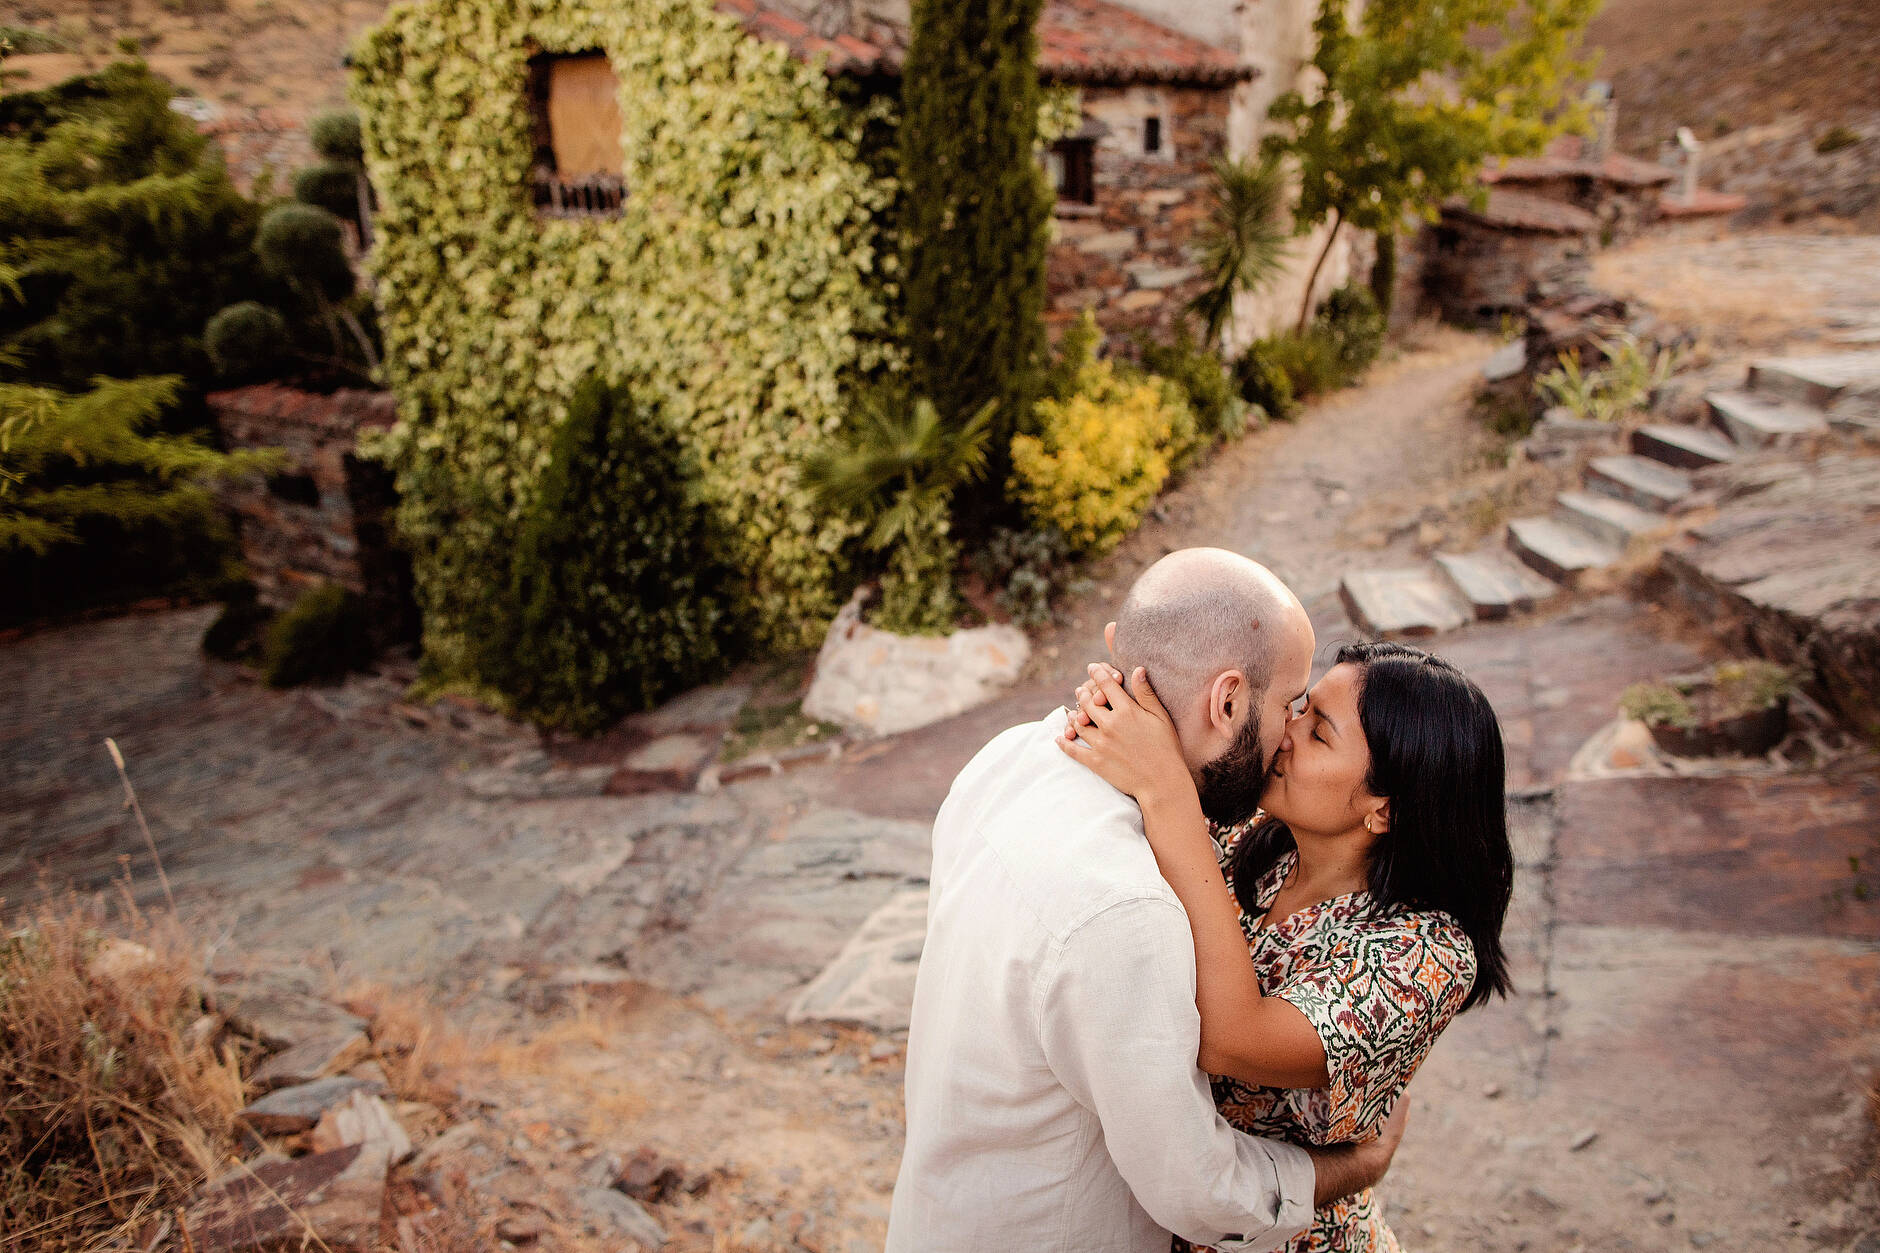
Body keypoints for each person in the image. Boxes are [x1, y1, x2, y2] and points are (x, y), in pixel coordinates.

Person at [886, 549, 1404, 1253]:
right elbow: (1195, 1188)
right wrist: (1349, 1165)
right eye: (1290, 704)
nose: (1289, 735)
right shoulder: (1125, 907)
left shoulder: (1008, 758)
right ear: (1226, 702)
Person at [1060, 638, 1515, 1252]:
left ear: (1384, 809)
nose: (1286, 728)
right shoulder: (1258, 835)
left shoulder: (1426, 957)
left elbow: (1233, 1039)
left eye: (1319, 732)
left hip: (1284, 1235)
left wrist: (1166, 790)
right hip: (1164, 1210)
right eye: (1300, 706)